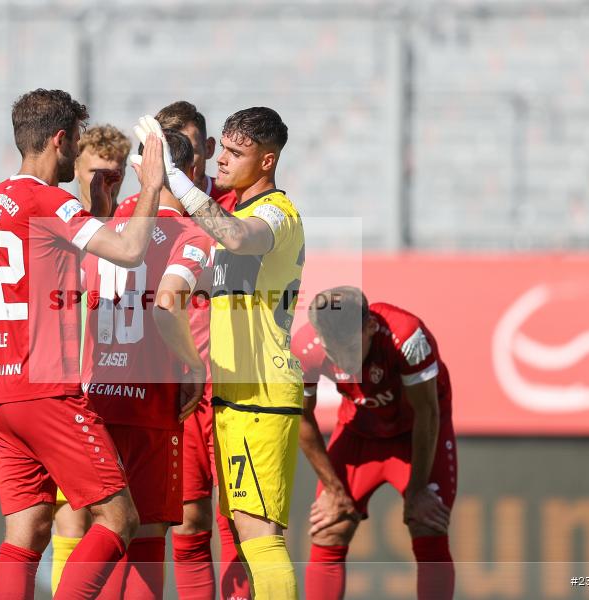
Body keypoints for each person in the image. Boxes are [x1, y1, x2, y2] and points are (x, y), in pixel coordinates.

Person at [0, 88, 166, 600]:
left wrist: (96, 211)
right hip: (47, 391)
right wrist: (151, 186)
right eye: (76, 140)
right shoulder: (48, 199)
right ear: (60, 140)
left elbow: (57, 261)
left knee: (28, 531)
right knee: (119, 518)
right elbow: (127, 250)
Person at [140, 107, 304, 599]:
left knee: (261, 542)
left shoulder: (277, 212)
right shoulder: (231, 213)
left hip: (262, 395)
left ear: (268, 161)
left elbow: (235, 236)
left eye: (237, 153)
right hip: (233, 394)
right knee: (239, 534)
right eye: (223, 149)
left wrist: (177, 181)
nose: (223, 161)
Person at [118, 100, 246, 600]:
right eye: (169, 149)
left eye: (188, 149)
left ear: (205, 150)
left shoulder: (235, 210)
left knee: (240, 521)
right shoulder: (137, 215)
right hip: (177, 389)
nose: (181, 160)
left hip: (234, 381)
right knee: (187, 522)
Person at [79, 128, 212, 599]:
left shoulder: (103, 226)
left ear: (140, 169)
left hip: (98, 398)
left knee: (106, 526)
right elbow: (165, 304)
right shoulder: (192, 233)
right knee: (149, 532)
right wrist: (193, 365)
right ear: (192, 171)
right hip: (151, 405)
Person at [294, 286, 456, 600]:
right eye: (333, 351)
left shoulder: (407, 337)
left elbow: (427, 413)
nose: (342, 360)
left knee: (428, 523)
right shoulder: (304, 348)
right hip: (361, 432)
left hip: (415, 435)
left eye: (350, 348)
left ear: (369, 326)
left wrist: (419, 488)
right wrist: (335, 489)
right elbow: (300, 418)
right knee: (331, 525)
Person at [49, 123, 132, 596]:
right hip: (69, 394)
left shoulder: (127, 230)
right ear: (74, 168)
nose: (105, 185)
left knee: (120, 521)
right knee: (69, 518)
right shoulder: (62, 224)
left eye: (115, 177)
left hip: (119, 390)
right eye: (97, 174)